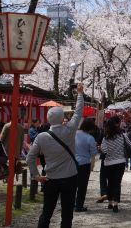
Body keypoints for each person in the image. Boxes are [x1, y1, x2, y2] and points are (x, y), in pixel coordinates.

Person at [27, 84, 84, 228]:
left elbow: (30, 157)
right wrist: (80, 94)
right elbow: (78, 112)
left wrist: (36, 175)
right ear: (62, 118)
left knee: (47, 211)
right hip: (70, 177)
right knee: (67, 213)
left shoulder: (41, 137)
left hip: (50, 178)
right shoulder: (70, 130)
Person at [99, 117, 131, 213]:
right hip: (120, 162)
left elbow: (104, 150)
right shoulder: (123, 135)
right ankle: (115, 204)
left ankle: (110, 202)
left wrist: (100, 148)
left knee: (110, 182)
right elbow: (129, 145)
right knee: (117, 183)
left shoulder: (106, 138)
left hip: (109, 163)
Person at [74, 119, 98, 212]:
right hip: (84, 163)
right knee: (82, 186)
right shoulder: (90, 138)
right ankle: (79, 206)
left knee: (72, 185)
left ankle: (71, 203)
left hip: (72, 162)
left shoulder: (74, 134)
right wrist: (92, 166)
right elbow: (93, 154)